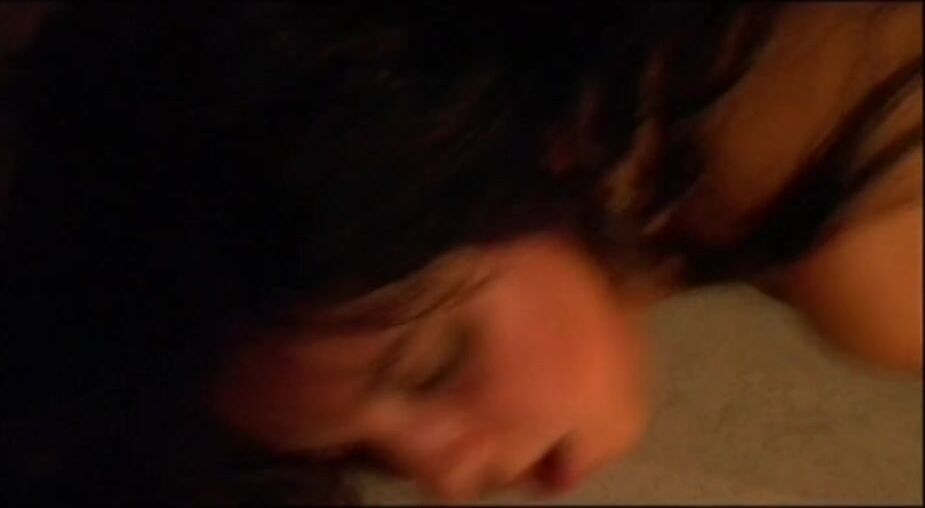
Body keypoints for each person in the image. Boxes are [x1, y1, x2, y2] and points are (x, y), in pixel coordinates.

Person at [1, 2, 920, 504]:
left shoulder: (802, 167)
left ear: (519, 164)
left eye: (436, 365)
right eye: (368, 454)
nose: (445, 480)